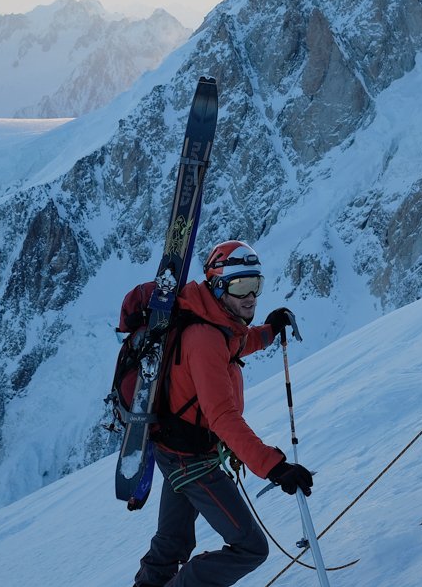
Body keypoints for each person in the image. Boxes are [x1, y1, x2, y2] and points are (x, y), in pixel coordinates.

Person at [132, 240, 313, 587]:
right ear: (218, 287)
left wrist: (270, 330)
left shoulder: (216, 320)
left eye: (255, 284)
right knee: (250, 548)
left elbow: (238, 342)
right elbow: (222, 417)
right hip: (192, 458)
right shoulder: (204, 337)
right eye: (240, 286)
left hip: (177, 449)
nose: (251, 296)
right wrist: (274, 466)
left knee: (173, 542)